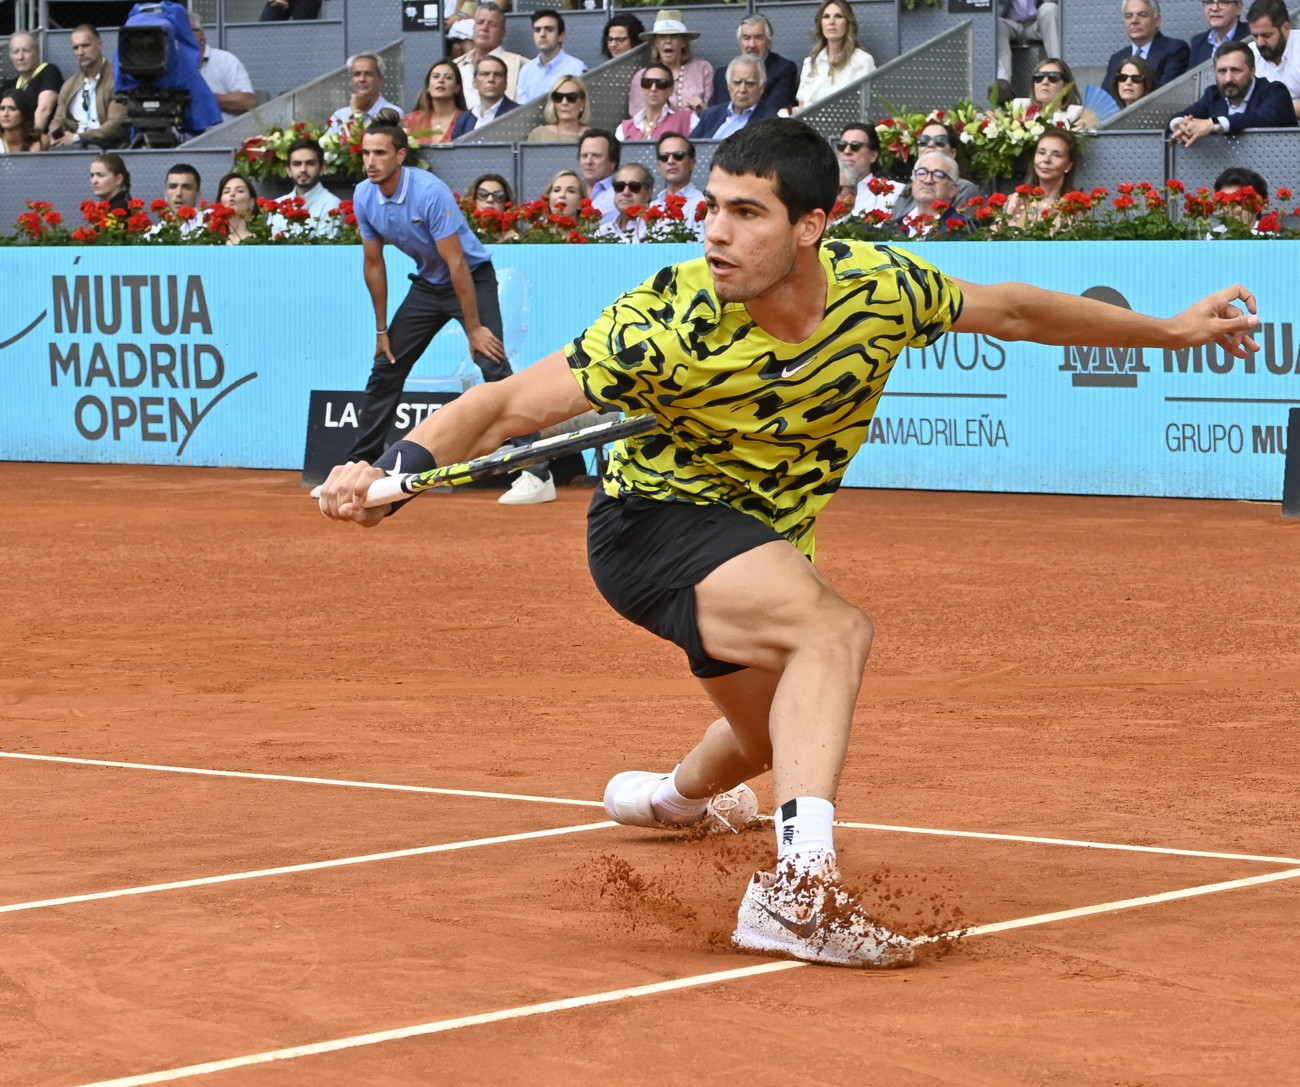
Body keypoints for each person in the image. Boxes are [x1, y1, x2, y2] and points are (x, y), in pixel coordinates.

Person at [319, 117, 1259, 968]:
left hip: (766, 535)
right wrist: (390, 469)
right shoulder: (667, 320)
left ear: (810, 225)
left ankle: (673, 799)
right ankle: (797, 897)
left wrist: (1169, 331)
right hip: (653, 526)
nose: (716, 234)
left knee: (776, 734)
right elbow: (503, 404)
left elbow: (1013, 309)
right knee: (832, 635)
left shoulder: (881, 288)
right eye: (710, 209)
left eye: (746, 213)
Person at [343, 120, 553, 506]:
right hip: (427, 284)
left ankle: (537, 472)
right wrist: (381, 330)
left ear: (400, 155)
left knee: (492, 365)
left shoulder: (429, 193)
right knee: (386, 366)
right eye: (366, 153)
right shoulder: (363, 195)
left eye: (380, 153)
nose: (370, 162)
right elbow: (373, 263)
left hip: (470, 279)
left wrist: (473, 328)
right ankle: (359, 467)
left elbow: (457, 263)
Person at [1169, 39, 1297, 145]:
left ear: (1252, 71)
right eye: (1222, 71)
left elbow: (1258, 118)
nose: (1228, 78)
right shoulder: (1213, 95)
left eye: (1235, 70)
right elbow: (1181, 115)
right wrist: (1180, 125)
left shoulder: (1275, 92)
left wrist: (1212, 124)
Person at [49, 25, 128, 149]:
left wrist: (78, 137)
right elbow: (58, 120)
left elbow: (115, 125)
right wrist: (55, 134)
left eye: (86, 46)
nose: (80, 52)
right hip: (75, 146)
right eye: (76, 48)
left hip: (107, 145)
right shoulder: (69, 85)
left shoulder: (117, 79)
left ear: (99, 44)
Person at [628, 9, 714, 119]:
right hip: (657, 135)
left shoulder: (703, 69)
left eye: (674, 36)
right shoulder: (642, 76)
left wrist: (702, 108)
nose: (668, 41)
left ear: (684, 42)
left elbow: (714, 117)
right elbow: (636, 118)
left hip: (696, 134)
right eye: (662, 36)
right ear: (655, 42)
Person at [707, 14, 798, 115]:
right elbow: (714, 114)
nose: (752, 44)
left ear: (769, 43)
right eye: (746, 38)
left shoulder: (784, 70)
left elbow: (773, 110)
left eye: (758, 38)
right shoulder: (722, 75)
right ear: (740, 42)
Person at [887, 121, 979, 221]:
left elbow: (957, 231)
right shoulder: (907, 191)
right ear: (918, 151)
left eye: (940, 141)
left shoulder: (964, 189)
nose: (930, 144)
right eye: (923, 140)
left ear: (952, 153)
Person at [796, 0, 876, 110]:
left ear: (848, 22)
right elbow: (802, 104)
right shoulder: (810, 63)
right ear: (821, 23)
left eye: (838, 16)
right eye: (826, 16)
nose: (831, 22)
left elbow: (864, 107)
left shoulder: (863, 61)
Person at [1104, 0, 1190, 89]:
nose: (1134, 21)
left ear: (1157, 21)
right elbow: (1105, 98)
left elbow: (1164, 95)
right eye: (1128, 16)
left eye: (1142, 15)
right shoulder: (1116, 58)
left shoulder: (1175, 50)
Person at [455, 4, 527, 111]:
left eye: (492, 24)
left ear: (503, 33)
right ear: (473, 28)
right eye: (480, 22)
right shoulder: (456, 66)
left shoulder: (521, 66)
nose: (484, 28)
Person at [267, 136, 341, 238]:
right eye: (297, 164)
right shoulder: (277, 206)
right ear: (288, 170)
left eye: (310, 163)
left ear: (322, 169)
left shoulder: (332, 205)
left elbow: (326, 252)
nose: (303, 169)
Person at [190, 12, 256, 123]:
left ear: (202, 37)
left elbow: (248, 101)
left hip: (222, 136)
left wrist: (206, 98)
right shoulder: (169, 64)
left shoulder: (224, 60)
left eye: (185, 31)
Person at [1004, 129, 1079, 225]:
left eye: (1056, 155)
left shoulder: (1074, 206)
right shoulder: (1016, 200)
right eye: (1041, 153)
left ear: (1069, 165)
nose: (1046, 160)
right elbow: (993, 237)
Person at [516, 10, 588, 105]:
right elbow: (521, 110)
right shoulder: (526, 70)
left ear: (561, 36)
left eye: (549, 29)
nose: (542, 34)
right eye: (537, 30)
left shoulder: (577, 69)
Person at [695, 57, 778, 139]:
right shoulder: (710, 115)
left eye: (750, 83)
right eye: (737, 82)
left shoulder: (771, 123)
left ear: (761, 88)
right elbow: (690, 146)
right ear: (728, 85)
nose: (742, 90)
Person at [892, 150, 969, 237]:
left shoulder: (964, 229)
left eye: (938, 175)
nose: (928, 180)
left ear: (952, 189)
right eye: (921, 173)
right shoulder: (891, 228)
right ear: (913, 182)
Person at [402, 60, 472, 145]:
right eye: (436, 76)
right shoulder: (411, 120)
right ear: (428, 86)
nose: (441, 80)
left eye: (448, 77)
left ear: (457, 88)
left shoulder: (467, 120)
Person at [618, 63, 694, 142]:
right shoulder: (624, 128)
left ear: (671, 90)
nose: (653, 89)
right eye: (647, 83)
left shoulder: (689, 119)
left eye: (661, 84)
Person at [1248, 0, 1300, 114]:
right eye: (1255, 36)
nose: (1260, 43)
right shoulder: (1250, 54)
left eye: (1266, 35)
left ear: (1286, 28)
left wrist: (1275, 111)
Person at [327, 54, 400, 132]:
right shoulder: (339, 116)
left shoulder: (392, 113)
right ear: (351, 80)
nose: (362, 79)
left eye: (368, 74)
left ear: (380, 80)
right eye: (357, 74)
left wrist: (356, 111)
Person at [835, 123, 896, 217]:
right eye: (842, 146)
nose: (847, 151)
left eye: (855, 146)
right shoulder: (822, 189)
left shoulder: (894, 192)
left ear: (873, 156)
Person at [7, 32, 62, 133]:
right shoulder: (10, 85)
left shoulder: (49, 71)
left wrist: (32, 141)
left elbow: (44, 110)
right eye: (15, 52)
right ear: (10, 56)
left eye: (26, 51)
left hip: (40, 140)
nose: (20, 57)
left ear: (36, 52)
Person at [997, 0, 1062, 84]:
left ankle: (1058, 71)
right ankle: (1003, 81)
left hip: (1035, 23)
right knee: (997, 24)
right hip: (1010, 24)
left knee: (1050, 8)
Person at [1011, 57, 1083, 124]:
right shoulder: (1019, 113)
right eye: (1038, 77)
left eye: (1053, 77)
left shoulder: (1076, 118)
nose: (1044, 82)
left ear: (1066, 85)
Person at [595, 163, 654, 242]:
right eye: (620, 186)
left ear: (648, 193)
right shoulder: (601, 233)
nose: (626, 192)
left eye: (634, 186)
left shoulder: (658, 230)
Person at [527, 75, 590, 142]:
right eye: (558, 97)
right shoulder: (539, 135)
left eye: (571, 97)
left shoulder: (594, 137)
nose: (564, 102)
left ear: (582, 102)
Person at [1190, 0, 1251, 68]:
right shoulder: (1198, 43)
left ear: (1239, 8)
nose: (1214, 8)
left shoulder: (1251, 37)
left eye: (1223, 2)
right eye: (1209, 2)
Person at [466, 55, 518, 129]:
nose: (491, 79)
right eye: (484, 74)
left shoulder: (518, 114)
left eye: (497, 75)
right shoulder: (464, 119)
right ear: (474, 82)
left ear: (506, 83)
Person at [579, 128, 619, 222]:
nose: (588, 162)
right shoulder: (573, 191)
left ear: (612, 162)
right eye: (584, 156)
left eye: (596, 156)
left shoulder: (620, 195)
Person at [215, 172, 259, 245]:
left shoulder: (263, 239)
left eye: (240, 191)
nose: (232, 194)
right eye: (226, 192)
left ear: (251, 202)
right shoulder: (211, 241)